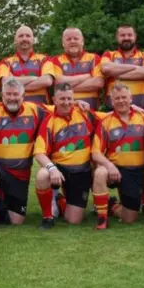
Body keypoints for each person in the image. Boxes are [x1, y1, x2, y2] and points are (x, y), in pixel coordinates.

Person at [0, 78, 52, 229]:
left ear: (23, 96)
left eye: (15, 95)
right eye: (8, 95)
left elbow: (61, 107)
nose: (12, 98)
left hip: (20, 174)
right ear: (2, 96)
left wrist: (77, 104)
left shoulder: (36, 110)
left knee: (17, 221)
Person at [33, 83, 104, 229]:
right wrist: (52, 169)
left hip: (81, 170)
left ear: (74, 99)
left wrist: (133, 108)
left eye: (69, 99)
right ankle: (47, 217)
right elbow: (39, 153)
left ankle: (60, 200)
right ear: (54, 100)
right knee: (42, 174)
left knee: (74, 220)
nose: (66, 102)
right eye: (62, 99)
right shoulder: (48, 121)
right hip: (59, 170)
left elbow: (109, 117)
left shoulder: (85, 112)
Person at [91, 83, 144, 230]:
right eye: (117, 98)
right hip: (114, 170)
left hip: (135, 171)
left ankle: (112, 206)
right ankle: (102, 218)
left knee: (129, 219)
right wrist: (110, 166)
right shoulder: (106, 122)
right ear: (112, 101)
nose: (121, 101)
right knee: (100, 172)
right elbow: (95, 152)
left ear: (131, 98)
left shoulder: (143, 117)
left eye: (124, 97)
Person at [100, 25, 144, 111]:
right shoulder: (109, 54)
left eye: (129, 35)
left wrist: (115, 73)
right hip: (112, 110)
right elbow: (106, 69)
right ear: (117, 37)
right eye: (122, 35)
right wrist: (137, 68)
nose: (126, 38)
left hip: (141, 109)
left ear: (135, 37)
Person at [52, 28, 105, 110]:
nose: (72, 41)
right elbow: (57, 83)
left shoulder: (94, 58)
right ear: (63, 43)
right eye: (68, 39)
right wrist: (88, 76)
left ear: (82, 41)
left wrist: (65, 88)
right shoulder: (56, 60)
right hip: (64, 112)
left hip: (91, 112)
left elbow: (98, 83)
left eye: (76, 38)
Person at [3, 25, 55, 105]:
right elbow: (5, 82)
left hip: (42, 111)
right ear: (15, 41)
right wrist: (35, 78)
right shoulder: (6, 62)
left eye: (28, 36)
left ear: (33, 40)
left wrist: (14, 84)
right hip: (15, 110)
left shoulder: (45, 59)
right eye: (21, 36)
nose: (24, 38)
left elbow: (47, 81)